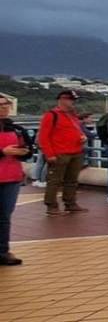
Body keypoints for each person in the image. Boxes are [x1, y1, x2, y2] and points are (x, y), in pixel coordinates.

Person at [37, 90, 88, 215]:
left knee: (72, 180)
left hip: (76, 151)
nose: (73, 102)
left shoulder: (72, 115)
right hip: (60, 153)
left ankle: (70, 203)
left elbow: (75, 130)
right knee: (54, 181)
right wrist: (50, 154)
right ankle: (51, 206)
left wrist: (82, 137)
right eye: (71, 100)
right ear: (62, 100)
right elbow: (44, 136)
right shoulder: (51, 115)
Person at [0, 95, 33, 265]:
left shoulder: (17, 129)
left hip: (11, 178)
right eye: (0, 105)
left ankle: (3, 251)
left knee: (5, 216)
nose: (4, 108)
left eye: (6, 105)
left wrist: (25, 152)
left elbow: (29, 151)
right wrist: (3, 152)